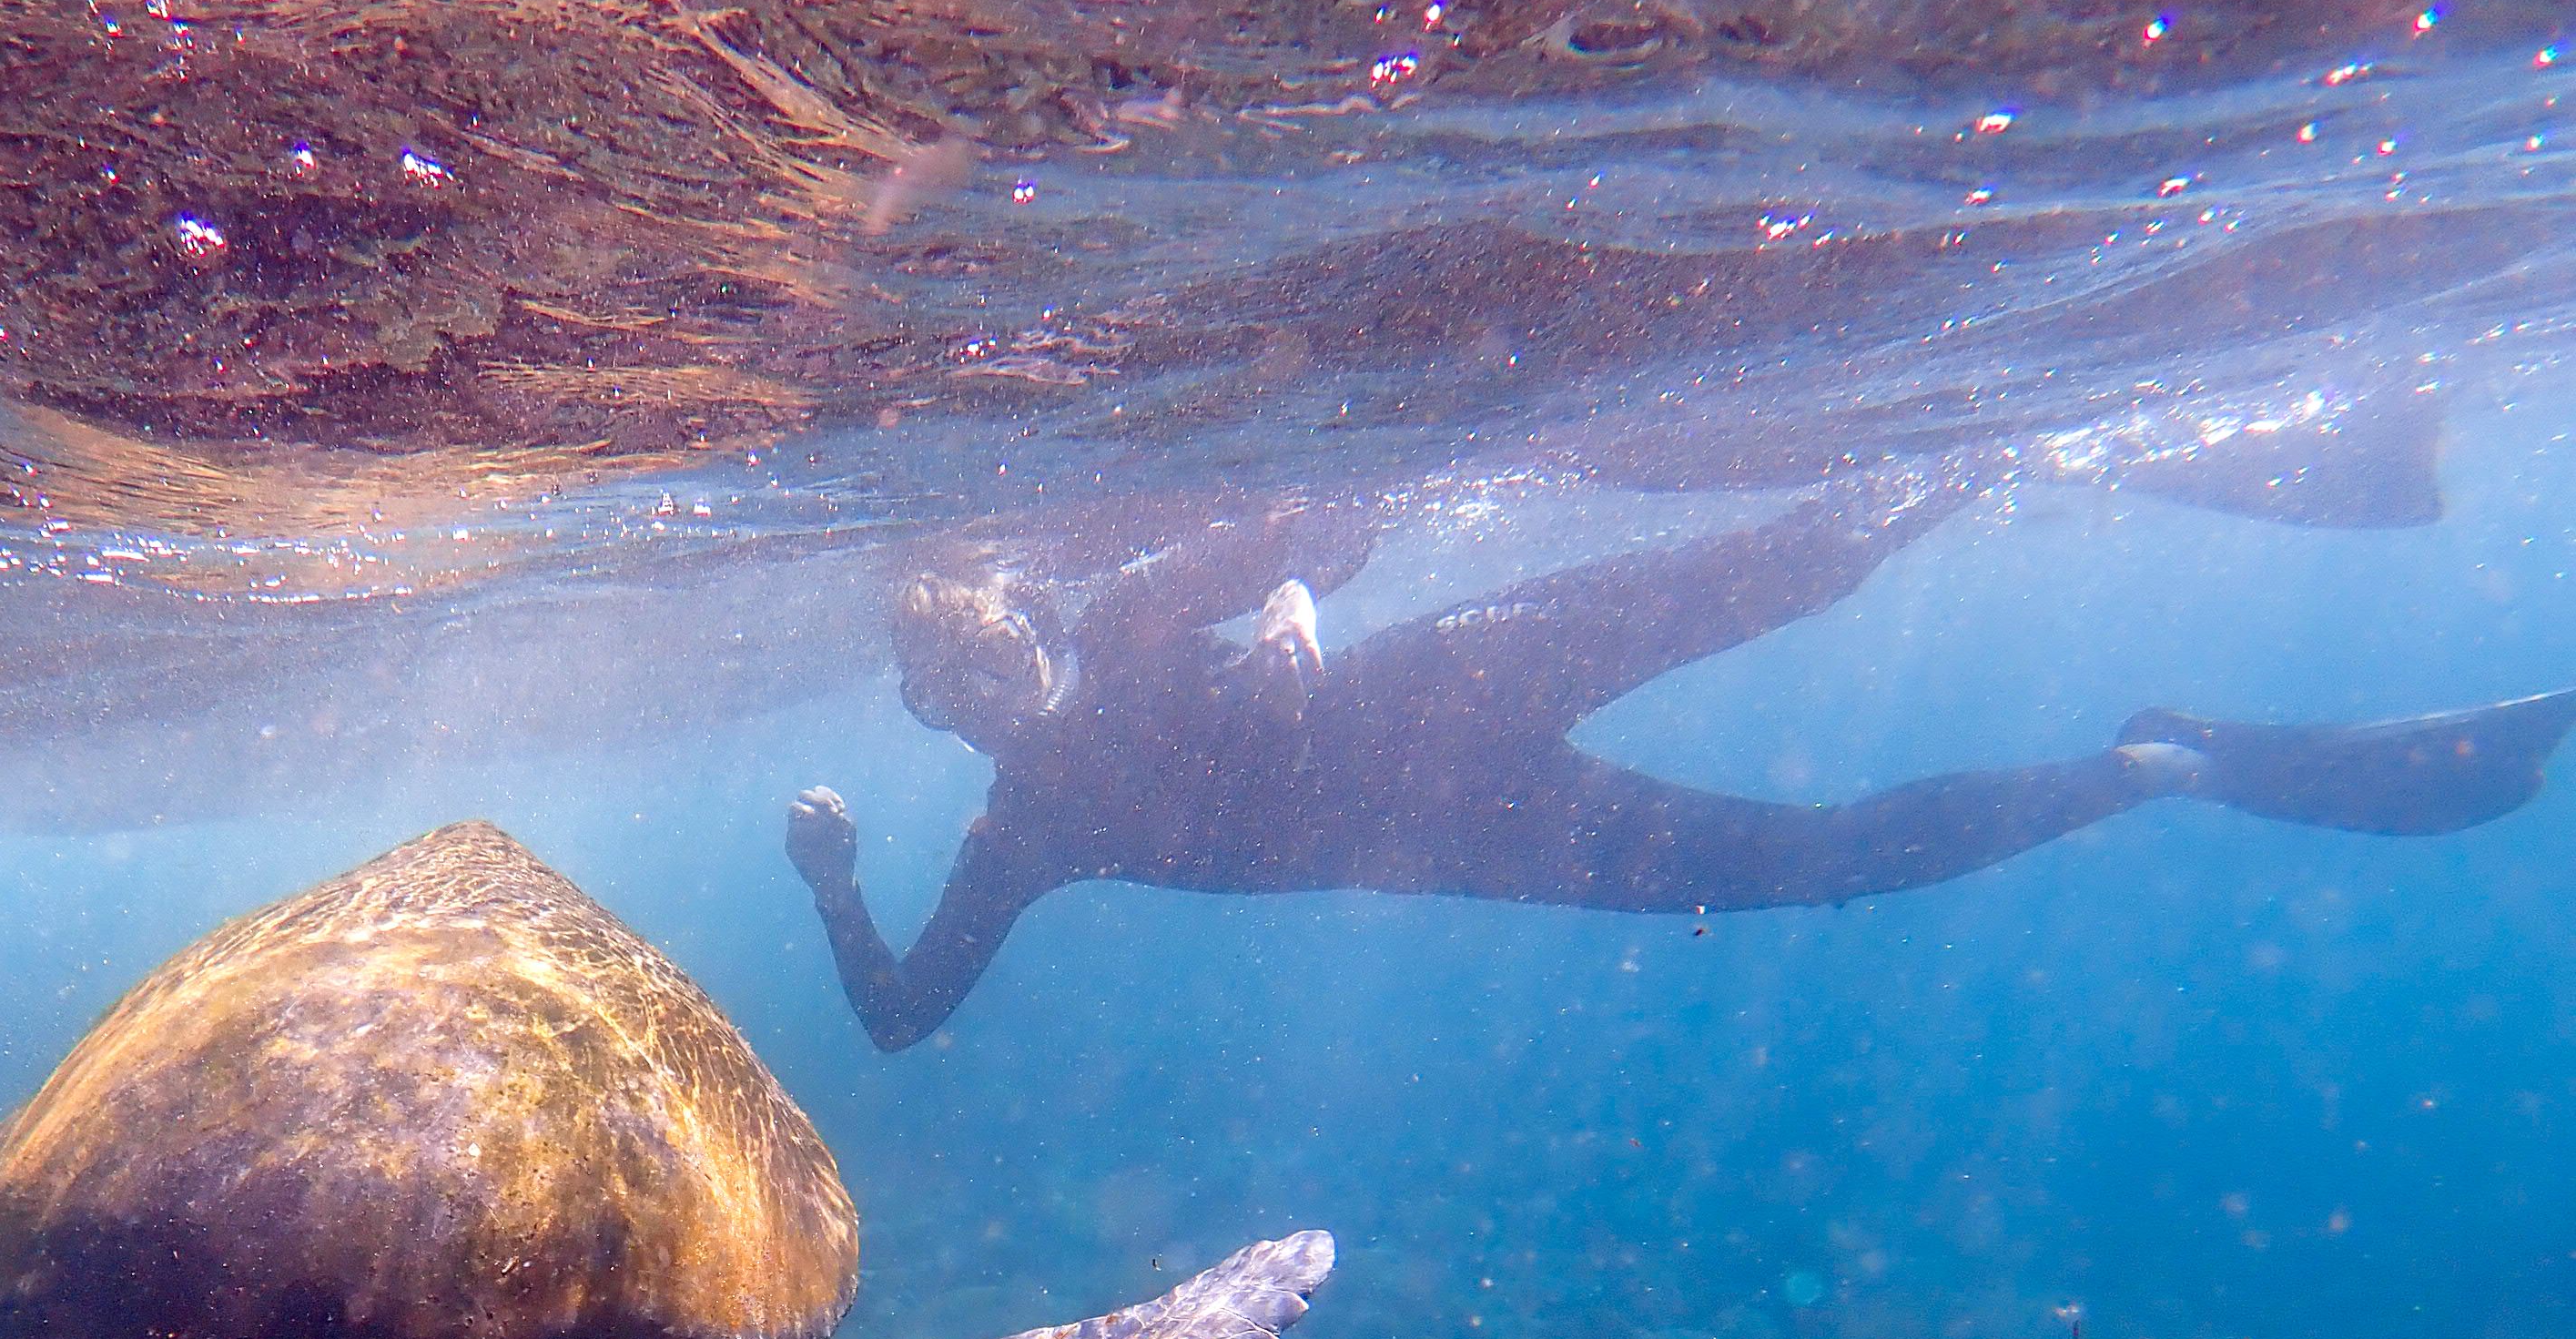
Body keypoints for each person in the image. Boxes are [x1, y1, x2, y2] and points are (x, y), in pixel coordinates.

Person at [787, 484, 2576, 1050]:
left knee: (1799, 560)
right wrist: (831, 882)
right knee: (1821, 863)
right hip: (1491, 831)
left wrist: (1283, 598)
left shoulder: (1117, 634)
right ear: (928, 712)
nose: (974, 694)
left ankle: (1978, 454)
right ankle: (2157, 763)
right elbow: (899, 1017)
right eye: (935, 684)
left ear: (1031, 615)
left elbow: (1326, 513)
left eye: (979, 652)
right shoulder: (1020, 828)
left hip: (1455, 679)